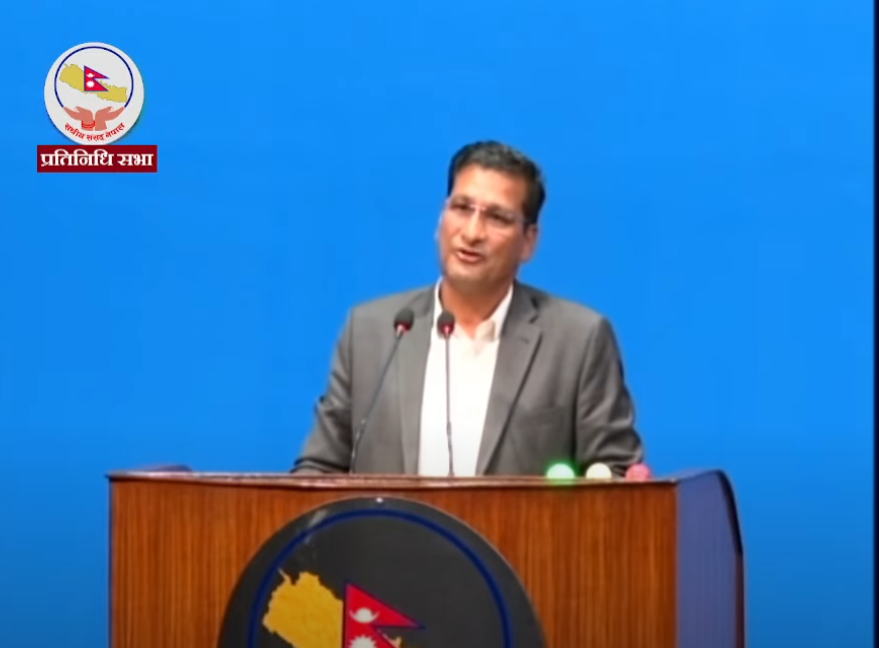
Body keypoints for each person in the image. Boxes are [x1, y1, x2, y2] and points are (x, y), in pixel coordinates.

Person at [292, 140, 644, 477]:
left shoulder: (578, 341)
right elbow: (318, 471)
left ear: (529, 241)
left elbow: (613, 475)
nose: (473, 232)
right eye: (462, 208)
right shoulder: (372, 331)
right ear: (441, 218)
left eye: (497, 218)